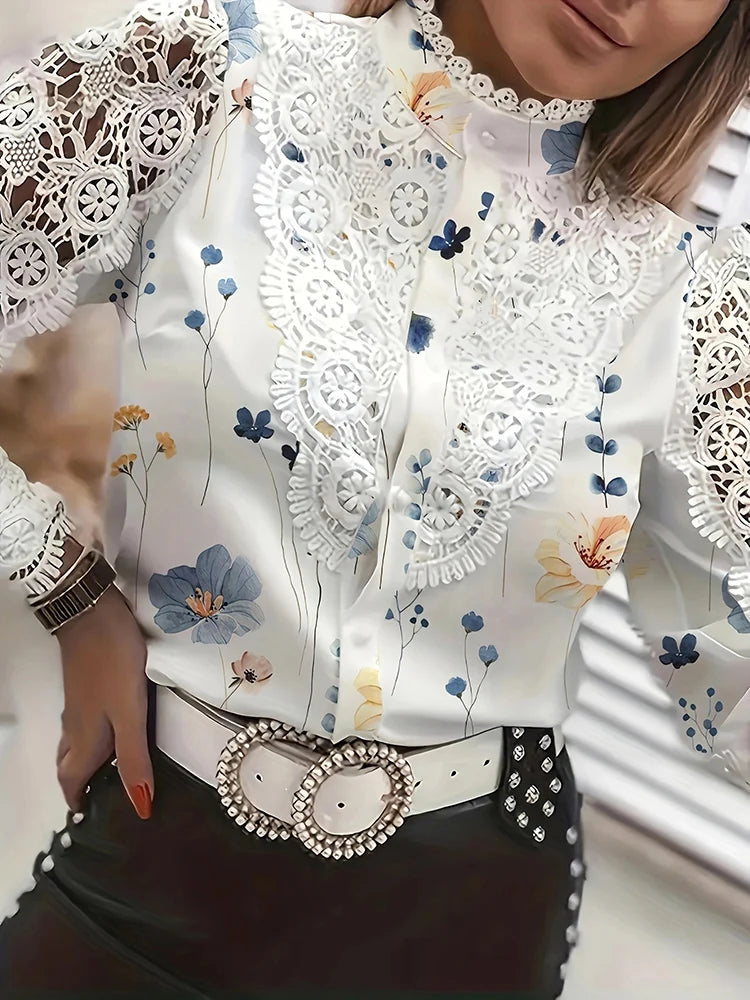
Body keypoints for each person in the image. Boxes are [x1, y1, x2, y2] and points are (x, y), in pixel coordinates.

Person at [1, 0, 749, 996]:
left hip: (469, 925)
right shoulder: (202, 81)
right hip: (143, 869)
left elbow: (732, 675)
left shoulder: (686, 302)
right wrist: (69, 590)